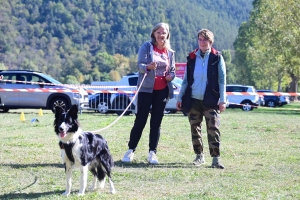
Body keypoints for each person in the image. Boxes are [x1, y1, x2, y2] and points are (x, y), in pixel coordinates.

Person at [121, 22, 176, 164]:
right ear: (154, 34)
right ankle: (130, 150)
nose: (161, 35)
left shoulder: (170, 52)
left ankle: (152, 152)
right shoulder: (147, 47)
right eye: (158, 32)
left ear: (167, 35)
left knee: (156, 123)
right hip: (146, 89)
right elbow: (139, 65)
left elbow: (173, 70)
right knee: (140, 120)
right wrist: (148, 67)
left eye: (164, 33)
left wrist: (171, 76)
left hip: (162, 91)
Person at [176, 29, 226, 169]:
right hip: (193, 100)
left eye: (205, 39)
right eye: (200, 39)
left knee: (213, 129)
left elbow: (222, 80)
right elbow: (185, 80)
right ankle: (199, 156)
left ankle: (216, 159)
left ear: (211, 41)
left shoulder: (217, 58)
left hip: (211, 100)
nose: (202, 42)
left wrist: (222, 100)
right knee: (195, 129)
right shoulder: (192, 57)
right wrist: (180, 97)